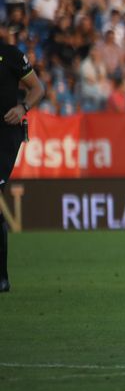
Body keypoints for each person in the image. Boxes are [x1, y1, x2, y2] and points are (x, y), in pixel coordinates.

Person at [0, 29, 46, 292]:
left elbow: (38, 88)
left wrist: (22, 108)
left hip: (4, 135)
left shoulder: (10, 56)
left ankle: (2, 277)